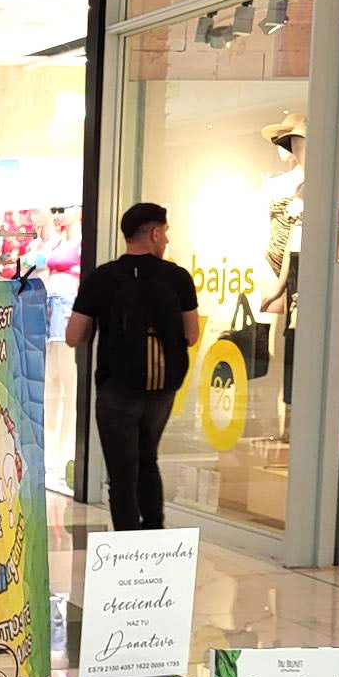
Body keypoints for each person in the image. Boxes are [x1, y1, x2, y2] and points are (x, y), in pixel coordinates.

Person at [65, 202, 199, 530]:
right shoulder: (178, 278)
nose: (166, 240)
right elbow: (192, 335)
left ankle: (128, 544)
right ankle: (154, 533)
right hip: (162, 389)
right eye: (164, 233)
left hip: (116, 388)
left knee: (122, 472)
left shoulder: (102, 278)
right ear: (154, 234)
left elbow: (73, 336)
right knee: (148, 459)